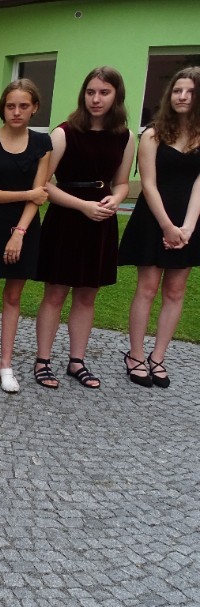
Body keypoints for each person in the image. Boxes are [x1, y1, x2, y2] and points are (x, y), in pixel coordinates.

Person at [34, 66, 135, 389]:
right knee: (55, 293)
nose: (96, 99)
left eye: (104, 92)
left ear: (117, 96)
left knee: (87, 296)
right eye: (91, 92)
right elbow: (43, 185)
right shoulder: (64, 133)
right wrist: (83, 206)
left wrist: (115, 199)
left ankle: (76, 361)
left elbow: (122, 183)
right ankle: (43, 360)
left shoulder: (125, 137)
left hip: (100, 222)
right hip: (66, 219)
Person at [117, 67, 200, 388]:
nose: (182, 96)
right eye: (177, 90)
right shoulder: (153, 134)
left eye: (190, 92)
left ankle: (158, 357)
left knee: (175, 291)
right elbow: (148, 185)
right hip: (154, 219)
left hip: (189, 221)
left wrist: (187, 228)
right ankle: (136, 355)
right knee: (148, 289)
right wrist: (167, 226)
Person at [0, 80, 51, 394]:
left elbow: (38, 197)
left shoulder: (42, 143)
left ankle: (5, 364)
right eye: (10, 106)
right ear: (2, 108)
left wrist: (19, 233)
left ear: (34, 108)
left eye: (23, 106)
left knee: (13, 297)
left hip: (25, 226)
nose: (16, 112)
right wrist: (28, 193)